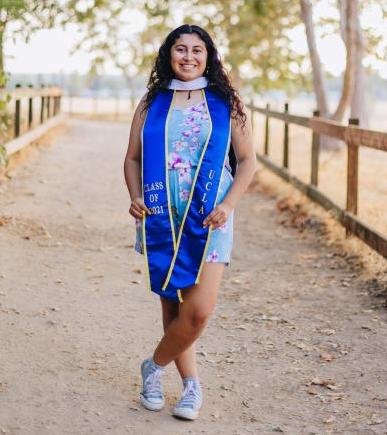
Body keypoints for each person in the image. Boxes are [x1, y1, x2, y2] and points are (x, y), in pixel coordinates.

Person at [123, 24, 256, 421]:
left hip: (210, 215)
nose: (188, 57)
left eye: (197, 50)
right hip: (164, 212)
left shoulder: (226, 102)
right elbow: (131, 157)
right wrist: (134, 196)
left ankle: (153, 366)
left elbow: (248, 160)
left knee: (197, 312)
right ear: (168, 55)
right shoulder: (152, 102)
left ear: (208, 56)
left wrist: (229, 205)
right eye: (180, 49)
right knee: (173, 308)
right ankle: (190, 386)